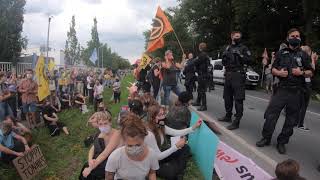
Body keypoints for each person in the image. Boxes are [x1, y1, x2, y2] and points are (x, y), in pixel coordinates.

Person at [256, 28, 313, 154]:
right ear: (288, 38)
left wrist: (301, 72)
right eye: (293, 36)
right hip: (282, 90)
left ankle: (282, 142)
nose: (295, 37)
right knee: (271, 115)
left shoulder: (303, 55)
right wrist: (279, 73)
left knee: (291, 120)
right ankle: (266, 138)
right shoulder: (281, 53)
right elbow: (273, 69)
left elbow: (310, 72)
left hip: (296, 92)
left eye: (298, 36)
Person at [145, 105, 201, 179]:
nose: (163, 117)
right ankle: (176, 169)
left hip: (160, 156)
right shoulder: (149, 134)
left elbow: (176, 132)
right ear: (152, 118)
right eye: (159, 115)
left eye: (163, 114)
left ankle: (178, 171)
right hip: (152, 163)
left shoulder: (161, 126)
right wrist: (176, 147)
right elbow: (158, 157)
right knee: (171, 173)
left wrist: (194, 127)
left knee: (185, 148)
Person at [105, 113, 159, 180]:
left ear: (144, 139)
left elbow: (152, 173)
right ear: (124, 141)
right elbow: (109, 176)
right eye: (130, 145)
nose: (134, 148)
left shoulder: (151, 155)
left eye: (138, 145)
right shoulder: (115, 157)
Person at [218, 31, 251, 130]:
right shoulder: (228, 48)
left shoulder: (243, 48)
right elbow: (224, 62)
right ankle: (228, 116)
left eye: (239, 36)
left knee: (238, 99)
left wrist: (240, 55)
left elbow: (249, 60)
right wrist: (223, 58)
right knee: (227, 97)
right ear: (232, 37)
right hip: (228, 74)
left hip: (238, 74)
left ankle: (236, 121)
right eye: (236, 36)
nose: (238, 38)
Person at [80, 112, 121, 180]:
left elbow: (105, 153)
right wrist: (90, 160)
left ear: (110, 123)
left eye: (105, 123)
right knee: (85, 166)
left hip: (111, 162)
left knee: (90, 173)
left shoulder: (116, 134)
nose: (103, 126)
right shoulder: (100, 133)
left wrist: (90, 168)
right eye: (100, 124)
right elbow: (92, 149)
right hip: (100, 160)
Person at [297, 45, 318, 131]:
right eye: (310, 52)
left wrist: (314, 60)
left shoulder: (299, 58)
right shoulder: (306, 59)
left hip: (301, 84)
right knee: (304, 105)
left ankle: (295, 121)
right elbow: (312, 70)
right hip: (305, 84)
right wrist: (313, 59)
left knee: (299, 104)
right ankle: (300, 124)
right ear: (308, 52)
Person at [192, 43, 211, 111]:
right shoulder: (205, 55)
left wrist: (195, 60)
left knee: (202, 90)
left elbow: (196, 62)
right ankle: (198, 101)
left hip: (203, 74)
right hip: (203, 74)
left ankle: (204, 105)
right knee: (199, 89)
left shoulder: (202, 55)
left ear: (200, 47)